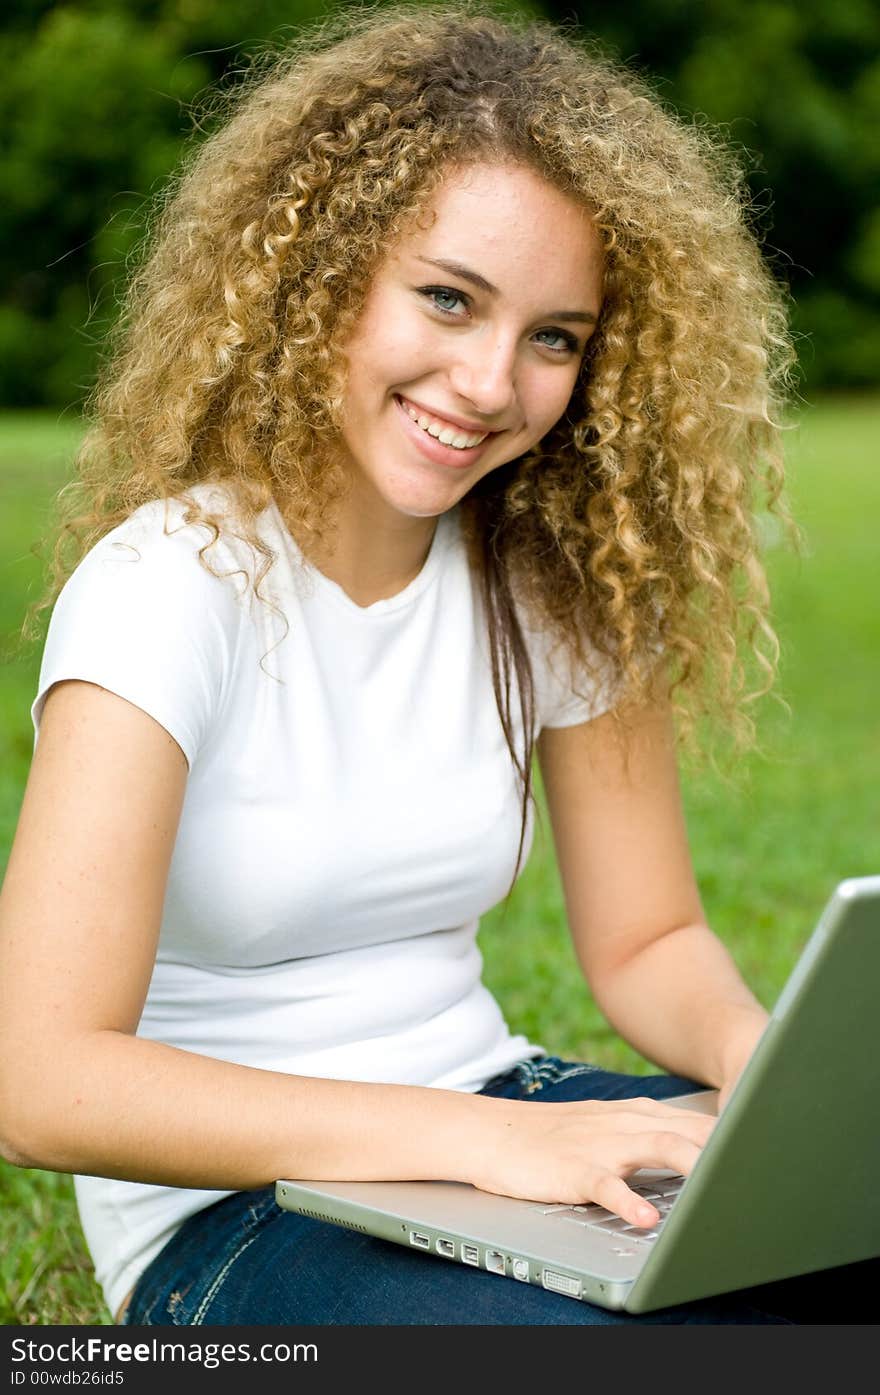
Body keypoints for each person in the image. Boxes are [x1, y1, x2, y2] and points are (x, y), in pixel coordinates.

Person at [0, 1, 873, 1328]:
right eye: (448, 299)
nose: (486, 381)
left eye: (554, 337)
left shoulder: (561, 581)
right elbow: (38, 1080)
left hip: (493, 1114)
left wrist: (773, 1087)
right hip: (235, 1213)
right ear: (326, 271)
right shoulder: (168, 586)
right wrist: (484, 1149)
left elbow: (650, 937)